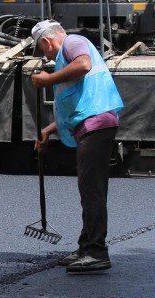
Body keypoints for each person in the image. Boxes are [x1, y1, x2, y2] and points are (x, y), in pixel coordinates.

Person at [30, 20, 123, 274]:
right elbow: (76, 101)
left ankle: (96, 252)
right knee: (88, 187)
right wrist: (48, 130)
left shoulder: (73, 43)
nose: (44, 55)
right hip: (92, 124)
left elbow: (84, 65)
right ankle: (86, 247)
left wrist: (48, 79)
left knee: (91, 189)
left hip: (98, 123)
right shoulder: (64, 56)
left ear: (47, 41)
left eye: (41, 49)